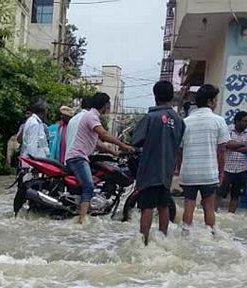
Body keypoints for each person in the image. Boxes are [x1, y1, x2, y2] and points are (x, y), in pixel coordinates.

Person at [64, 93, 134, 223]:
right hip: (78, 157)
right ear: (104, 105)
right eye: (108, 105)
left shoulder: (86, 116)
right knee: (88, 186)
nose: (109, 107)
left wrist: (114, 153)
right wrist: (123, 146)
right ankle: (82, 220)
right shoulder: (92, 116)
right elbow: (104, 134)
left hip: (75, 156)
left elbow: (97, 143)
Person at [132, 80, 185, 245]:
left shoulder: (150, 117)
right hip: (167, 170)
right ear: (171, 97)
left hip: (149, 170)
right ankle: (163, 239)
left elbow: (136, 140)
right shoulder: (179, 120)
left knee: (147, 207)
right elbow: (179, 144)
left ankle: (143, 242)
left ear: (155, 96)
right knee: (163, 205)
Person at [175, 84, 229, 232]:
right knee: (209, 208)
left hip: (189, 173)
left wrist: (180, 170)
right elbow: (221, 151)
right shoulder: (219, 121)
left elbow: (179, 151)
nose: (217, 103)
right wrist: (221, 172)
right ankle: (211, 238)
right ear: (210, 102)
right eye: (216, 100)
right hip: (209, 173)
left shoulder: (186, 122)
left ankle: (185, 237)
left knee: (189, 207)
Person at [219, 111, 247, 213]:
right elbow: (226, 144)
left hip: (242, 169)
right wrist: (243, 143)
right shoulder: (227, 130)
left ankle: (231, 216)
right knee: (219, 193)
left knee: (236, 195)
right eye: (244, 121)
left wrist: (233, 146)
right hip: (226, 168)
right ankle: (214, 215)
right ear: (237, 121)